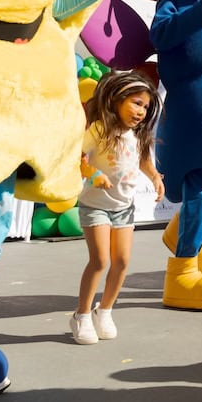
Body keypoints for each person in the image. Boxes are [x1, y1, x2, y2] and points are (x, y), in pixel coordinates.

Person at [71, 71, 165, 345]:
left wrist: (156, 178)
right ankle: (82, 314)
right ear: (117, 100)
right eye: (136, 103)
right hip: (95, 206)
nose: (141, 112)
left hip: (124, 208)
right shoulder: (99, 130)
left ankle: (106, 310)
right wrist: (92, 175)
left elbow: (144, 160)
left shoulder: (136, 136)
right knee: (100, 260)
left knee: (122, 262)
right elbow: (79, 157)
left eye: (146, 107)